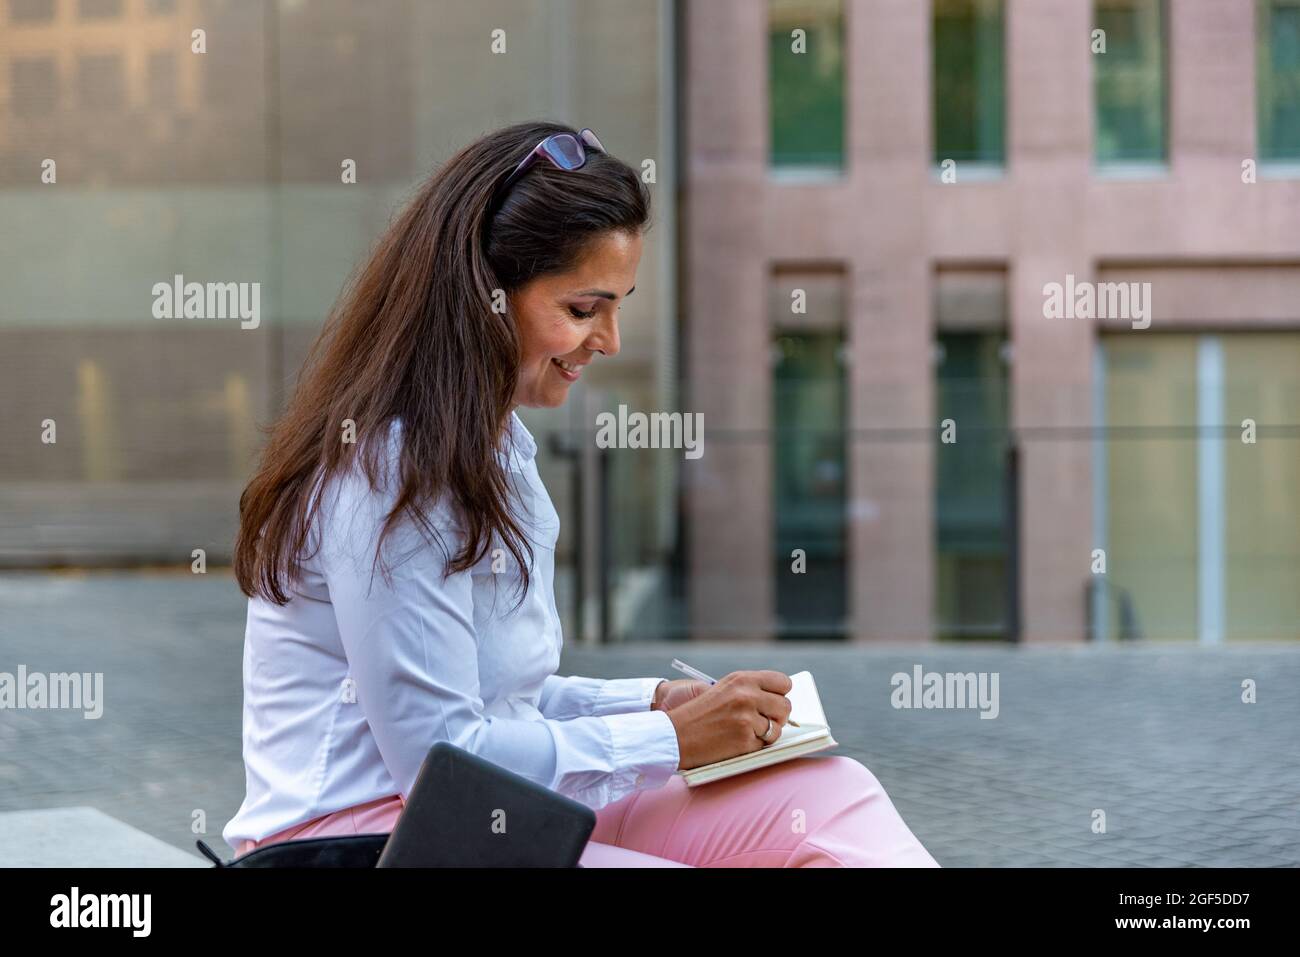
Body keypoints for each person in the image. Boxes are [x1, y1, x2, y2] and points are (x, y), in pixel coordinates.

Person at [221, 121, 938, 868]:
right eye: (583, 308)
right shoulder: (391, 471)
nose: (610, 340)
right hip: (368, 843)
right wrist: (670, 741)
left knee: (828, 795)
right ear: (485, 297)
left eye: (618, 305)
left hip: (496, 816)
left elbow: (505, 704)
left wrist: (657, 703)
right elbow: (445, 760)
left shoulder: (496, 449)